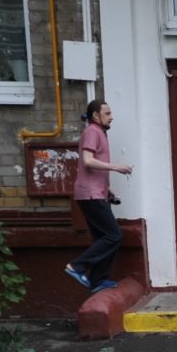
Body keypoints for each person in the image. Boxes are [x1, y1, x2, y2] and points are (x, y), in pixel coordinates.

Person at [66, 98, 133, 293]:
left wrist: (108, 187)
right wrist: (116, 167)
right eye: (107, 114)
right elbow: (88, 160)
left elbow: (93, 166)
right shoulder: (92, 132)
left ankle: (96, 280)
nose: (111, 117)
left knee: (104, 238)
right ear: (96, 115)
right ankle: (77, 266)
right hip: (90, 195)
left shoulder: (100, 133)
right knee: (114, 235)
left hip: (96, 193)